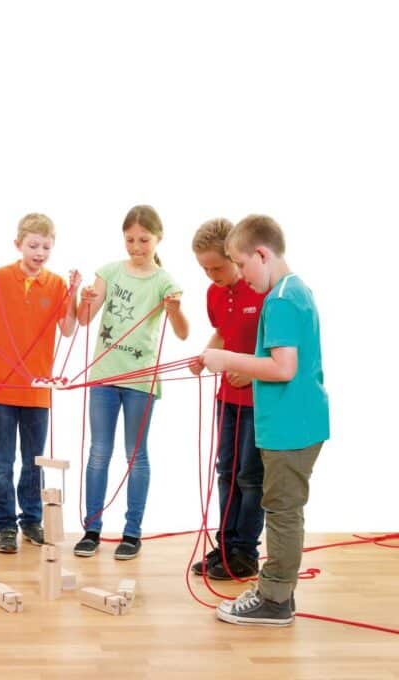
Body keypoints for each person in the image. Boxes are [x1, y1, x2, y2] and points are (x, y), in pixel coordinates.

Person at [202, 214, 329, 626]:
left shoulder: (280, 300)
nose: (241, 274)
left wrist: (227, 359)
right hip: (295, 422)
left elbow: (283, 367)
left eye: (242, 264)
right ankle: (276, 594)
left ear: (261, 254)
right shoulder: (295, 290)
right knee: (281, 507)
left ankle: (274, 600)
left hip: (291, 427)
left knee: (282, 510)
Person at [73, 205, 189, 560]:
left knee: (136, 455)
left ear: (158, 238)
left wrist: (174, 310)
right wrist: (83, 300)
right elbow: (84, 319)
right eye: (130, 240)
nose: (136, 247)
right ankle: (92, 529)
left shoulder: (165, 281)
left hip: (141, 381)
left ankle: (132, 532)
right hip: (104, 377)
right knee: (98, 452)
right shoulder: (109, 272)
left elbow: (183, 333)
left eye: (144, 240)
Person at [0, 213, 79, 553]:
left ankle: (31, 520)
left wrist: (73, 293)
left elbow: (68, 329)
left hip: (37, 391)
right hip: (0, 387)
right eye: (33, 246)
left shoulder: (55, 284)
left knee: (33, 463)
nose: (39, 253)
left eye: (46, 247)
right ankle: (4, 526)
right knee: (1, 463)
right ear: (18, 244)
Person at [190, 218, 266, 579]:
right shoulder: (214, 294)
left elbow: (278, 350)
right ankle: (225, 546)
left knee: (251, 477)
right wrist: (204, 356)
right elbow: (222, 332)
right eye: (204, 269)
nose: (211, 275)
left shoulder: (263, 291)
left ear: (235, 256)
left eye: (217, 267)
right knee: (226, 473)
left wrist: (251, 372)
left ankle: (245, 552)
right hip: (227, 399)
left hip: (258, 401)